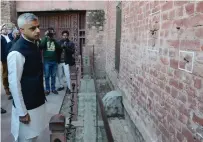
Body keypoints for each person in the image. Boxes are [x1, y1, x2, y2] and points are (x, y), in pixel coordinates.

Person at [7, 13, 47, 142]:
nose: (37, 31)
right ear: (22, 30)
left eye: (38, 27)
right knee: (26, 138)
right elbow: (14, 84)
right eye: (32, 28)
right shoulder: (16, 52)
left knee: (34, 136)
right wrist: (22, 112)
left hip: (36, 101)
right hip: (26, 107)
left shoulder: (33, 44)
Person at [39, 27, 61, 95]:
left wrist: (54, 40)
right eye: (50, 32)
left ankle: (53, 88)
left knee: (53, 76)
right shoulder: (45, 39)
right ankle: (47, 89)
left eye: (52, 32)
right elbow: (41, 46)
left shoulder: (55, 41)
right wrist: (45, 37)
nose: (51, 34)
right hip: (47, 61)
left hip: (54, 61)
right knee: (47, 76)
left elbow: (59, 48)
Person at [1, 24, 13, 100]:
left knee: (11, 72)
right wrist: (2, 59)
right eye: (4, 29)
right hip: (5, 58)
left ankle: (11, 87)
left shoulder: (9, 36)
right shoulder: (1, 38)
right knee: (5, 73)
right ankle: (6, 87)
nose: (5, 30)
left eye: (6, 29)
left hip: (11, 57)